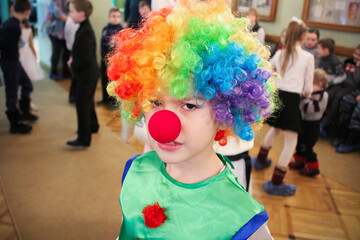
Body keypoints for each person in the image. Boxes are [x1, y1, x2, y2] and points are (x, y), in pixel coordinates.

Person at [106, 0, 276, 238]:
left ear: (225, 112)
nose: (164, 125)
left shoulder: (242, 221)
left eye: (189, 105)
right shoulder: (135, 171)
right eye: (155, 103)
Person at [252, 17, 314, 196]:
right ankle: (276, 181)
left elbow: (267, 72)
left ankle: (261, 158)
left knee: (276, 128)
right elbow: (308, 88)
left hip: (278, 96)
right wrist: (307, 93)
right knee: (291, 141)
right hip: (293, 99)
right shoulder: (308, 57)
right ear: (303, 36)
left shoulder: (280, 53)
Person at [0, 0, 38, 134]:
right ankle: (14, 123)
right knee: (12, 93)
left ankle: (24, 111)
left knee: (27, 85)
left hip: (14, 62)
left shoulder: (14, 24)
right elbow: (4, 45)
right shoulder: (12, 26)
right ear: (27, 12)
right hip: (10, 63)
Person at [66, 0, 99, 147]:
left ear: (81, 13)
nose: (69, 14)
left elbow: (86, 58)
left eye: (71, 11)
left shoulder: (86, 31)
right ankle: (93, 125)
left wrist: (72, 63)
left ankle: (84, 138)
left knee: (82, 104)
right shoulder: (83, 27)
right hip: (89, 73)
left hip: (86, 74)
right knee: (88, 101)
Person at [288, 69, 328, 177]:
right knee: (300, 142)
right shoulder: (312, 92)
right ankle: (299, 161)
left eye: (311, 85)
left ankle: (313, 167)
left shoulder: (323, 96)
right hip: (303, 122)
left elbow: (310, 109)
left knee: (307, 146)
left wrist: (305, 99)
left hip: (312, 125)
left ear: (319, 84)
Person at [317, 38, 350, 137]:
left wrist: (331, 82)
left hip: (335, 84)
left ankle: (323, 124)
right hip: (322, 82)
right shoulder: (320, 58)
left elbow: (342, 76)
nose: (317, 50)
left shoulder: (335, 61)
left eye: (319, 48)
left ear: (326, 50)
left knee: (328, 97)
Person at [332, 44, 360, 153]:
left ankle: (350, 142)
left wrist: (358, 66)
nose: (357, 57)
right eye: (356, 54)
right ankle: (341, 136)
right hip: (355, 91)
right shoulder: (351, 62)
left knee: (358, 111)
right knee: (346, 101)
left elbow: (356, 80)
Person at [97, 7, 123, 108]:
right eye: (113, 16)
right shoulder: (105, 29)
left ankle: (113, 102)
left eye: (118, 16)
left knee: (113, 82)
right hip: (104, 59)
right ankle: (104, 99)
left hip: (115, 62)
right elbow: (102, 44)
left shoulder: (121, 30)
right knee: (104, 80)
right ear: (109, 17)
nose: (116, 18)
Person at [43, 0, 71, 80]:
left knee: (66, 52)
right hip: (55, 31)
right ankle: (53, 72)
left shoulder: (68, 2)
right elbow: (60, 15)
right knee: (56, 51)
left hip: (65, 31)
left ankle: (66, 72)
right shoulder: (55, 2)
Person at [64, 1, 79, 103]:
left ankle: (72, 95)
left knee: (75, 75)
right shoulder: (72, 21)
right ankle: (73, 96)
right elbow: (71, 37)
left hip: (73, 49)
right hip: (74, 50)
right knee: (76, 75)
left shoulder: (71, 20)